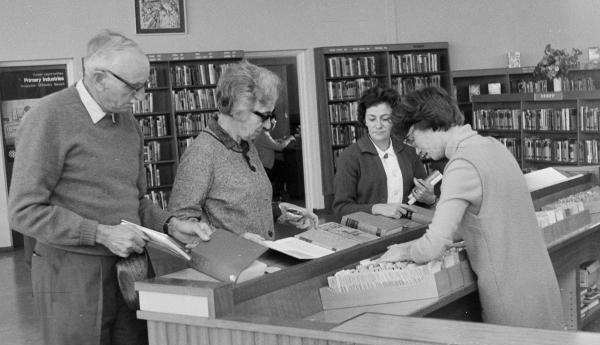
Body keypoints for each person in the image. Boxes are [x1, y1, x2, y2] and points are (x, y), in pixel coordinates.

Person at [8, 30, 213, 345]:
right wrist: (100, 233)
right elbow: (23, 211)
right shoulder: (48, 117)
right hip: (71, 272)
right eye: (133, 87)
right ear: (98, 77)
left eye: (144, 87)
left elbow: (134, 200)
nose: (140, 97)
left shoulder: (127, 122)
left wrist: (169, 223)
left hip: (128, 270)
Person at [378, 86, 565, 330]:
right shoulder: (493, 146)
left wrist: (402, 253)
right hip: (541, 285)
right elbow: (483, 222)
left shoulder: (461, 164)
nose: (416, 150)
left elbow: (433, 247)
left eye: (412, 138)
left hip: (509, 295)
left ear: (430, 123)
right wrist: (406, 245)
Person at [168, 60, 317, 243]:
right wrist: (234, 242)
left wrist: (282, 211)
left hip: (260, 261)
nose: (268, 125)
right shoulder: (202, 154)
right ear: (239, 107)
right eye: (264, 116)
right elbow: (182, 223)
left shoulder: (246, 145)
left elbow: (240, 206)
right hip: (230, 268)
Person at [332, 86, 436, 218]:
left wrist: (429, 199)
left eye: (385, 118)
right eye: (372, 119)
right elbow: (340, 208)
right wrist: (377, 208)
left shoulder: (409, 153)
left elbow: (421, 203)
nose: (378, 125)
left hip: (407, 228)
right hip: (368, 233)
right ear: (364, 121)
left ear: (394, 120)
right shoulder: (350, 156)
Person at [254, 128, 295, 199]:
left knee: (282, 165)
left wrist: (277, 141)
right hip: (265, 165)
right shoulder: (264, 134)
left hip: (263, 163)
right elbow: (279, 147)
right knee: (284, 169)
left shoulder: (261, 133)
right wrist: (289, 139)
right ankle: (277, 194)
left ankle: (279, 192)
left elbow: (270, 143)